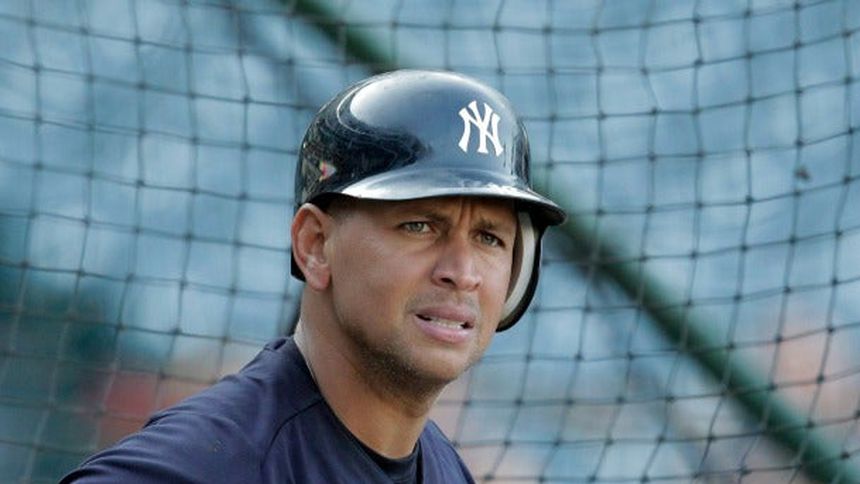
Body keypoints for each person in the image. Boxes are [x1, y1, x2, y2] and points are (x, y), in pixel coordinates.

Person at [60, 69, 566, 483]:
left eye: (489, 238)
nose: (462, 273)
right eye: (419, 226)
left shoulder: (445, 470)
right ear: (315, 245)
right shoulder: (194, 469)